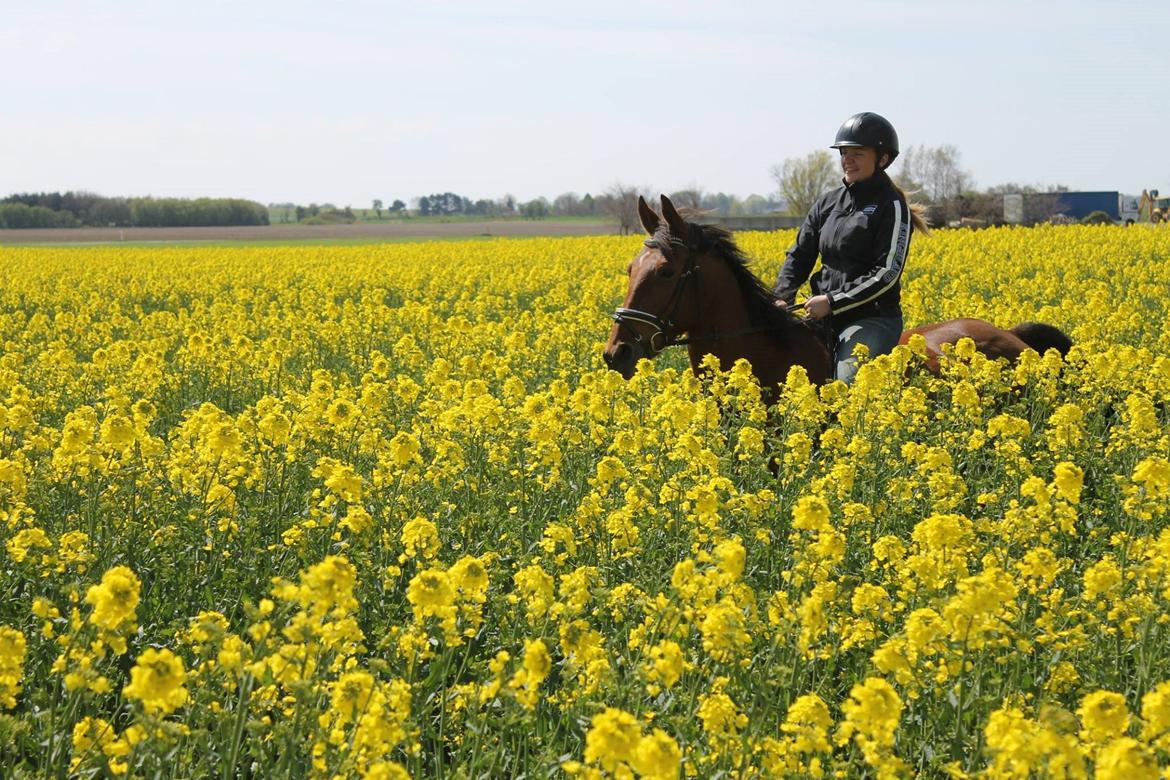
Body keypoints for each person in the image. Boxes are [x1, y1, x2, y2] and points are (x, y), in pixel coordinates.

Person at [773, 112, 929, 383]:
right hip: (821, 315)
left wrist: (833, 302)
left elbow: (887, 272)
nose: (848, 160)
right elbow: (800, 254)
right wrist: (782, 297)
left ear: (882, 159)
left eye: (858, 153)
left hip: (871, 319)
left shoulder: (891, 206)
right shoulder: (827, 203)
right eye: (844, 153)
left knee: (845, 384)